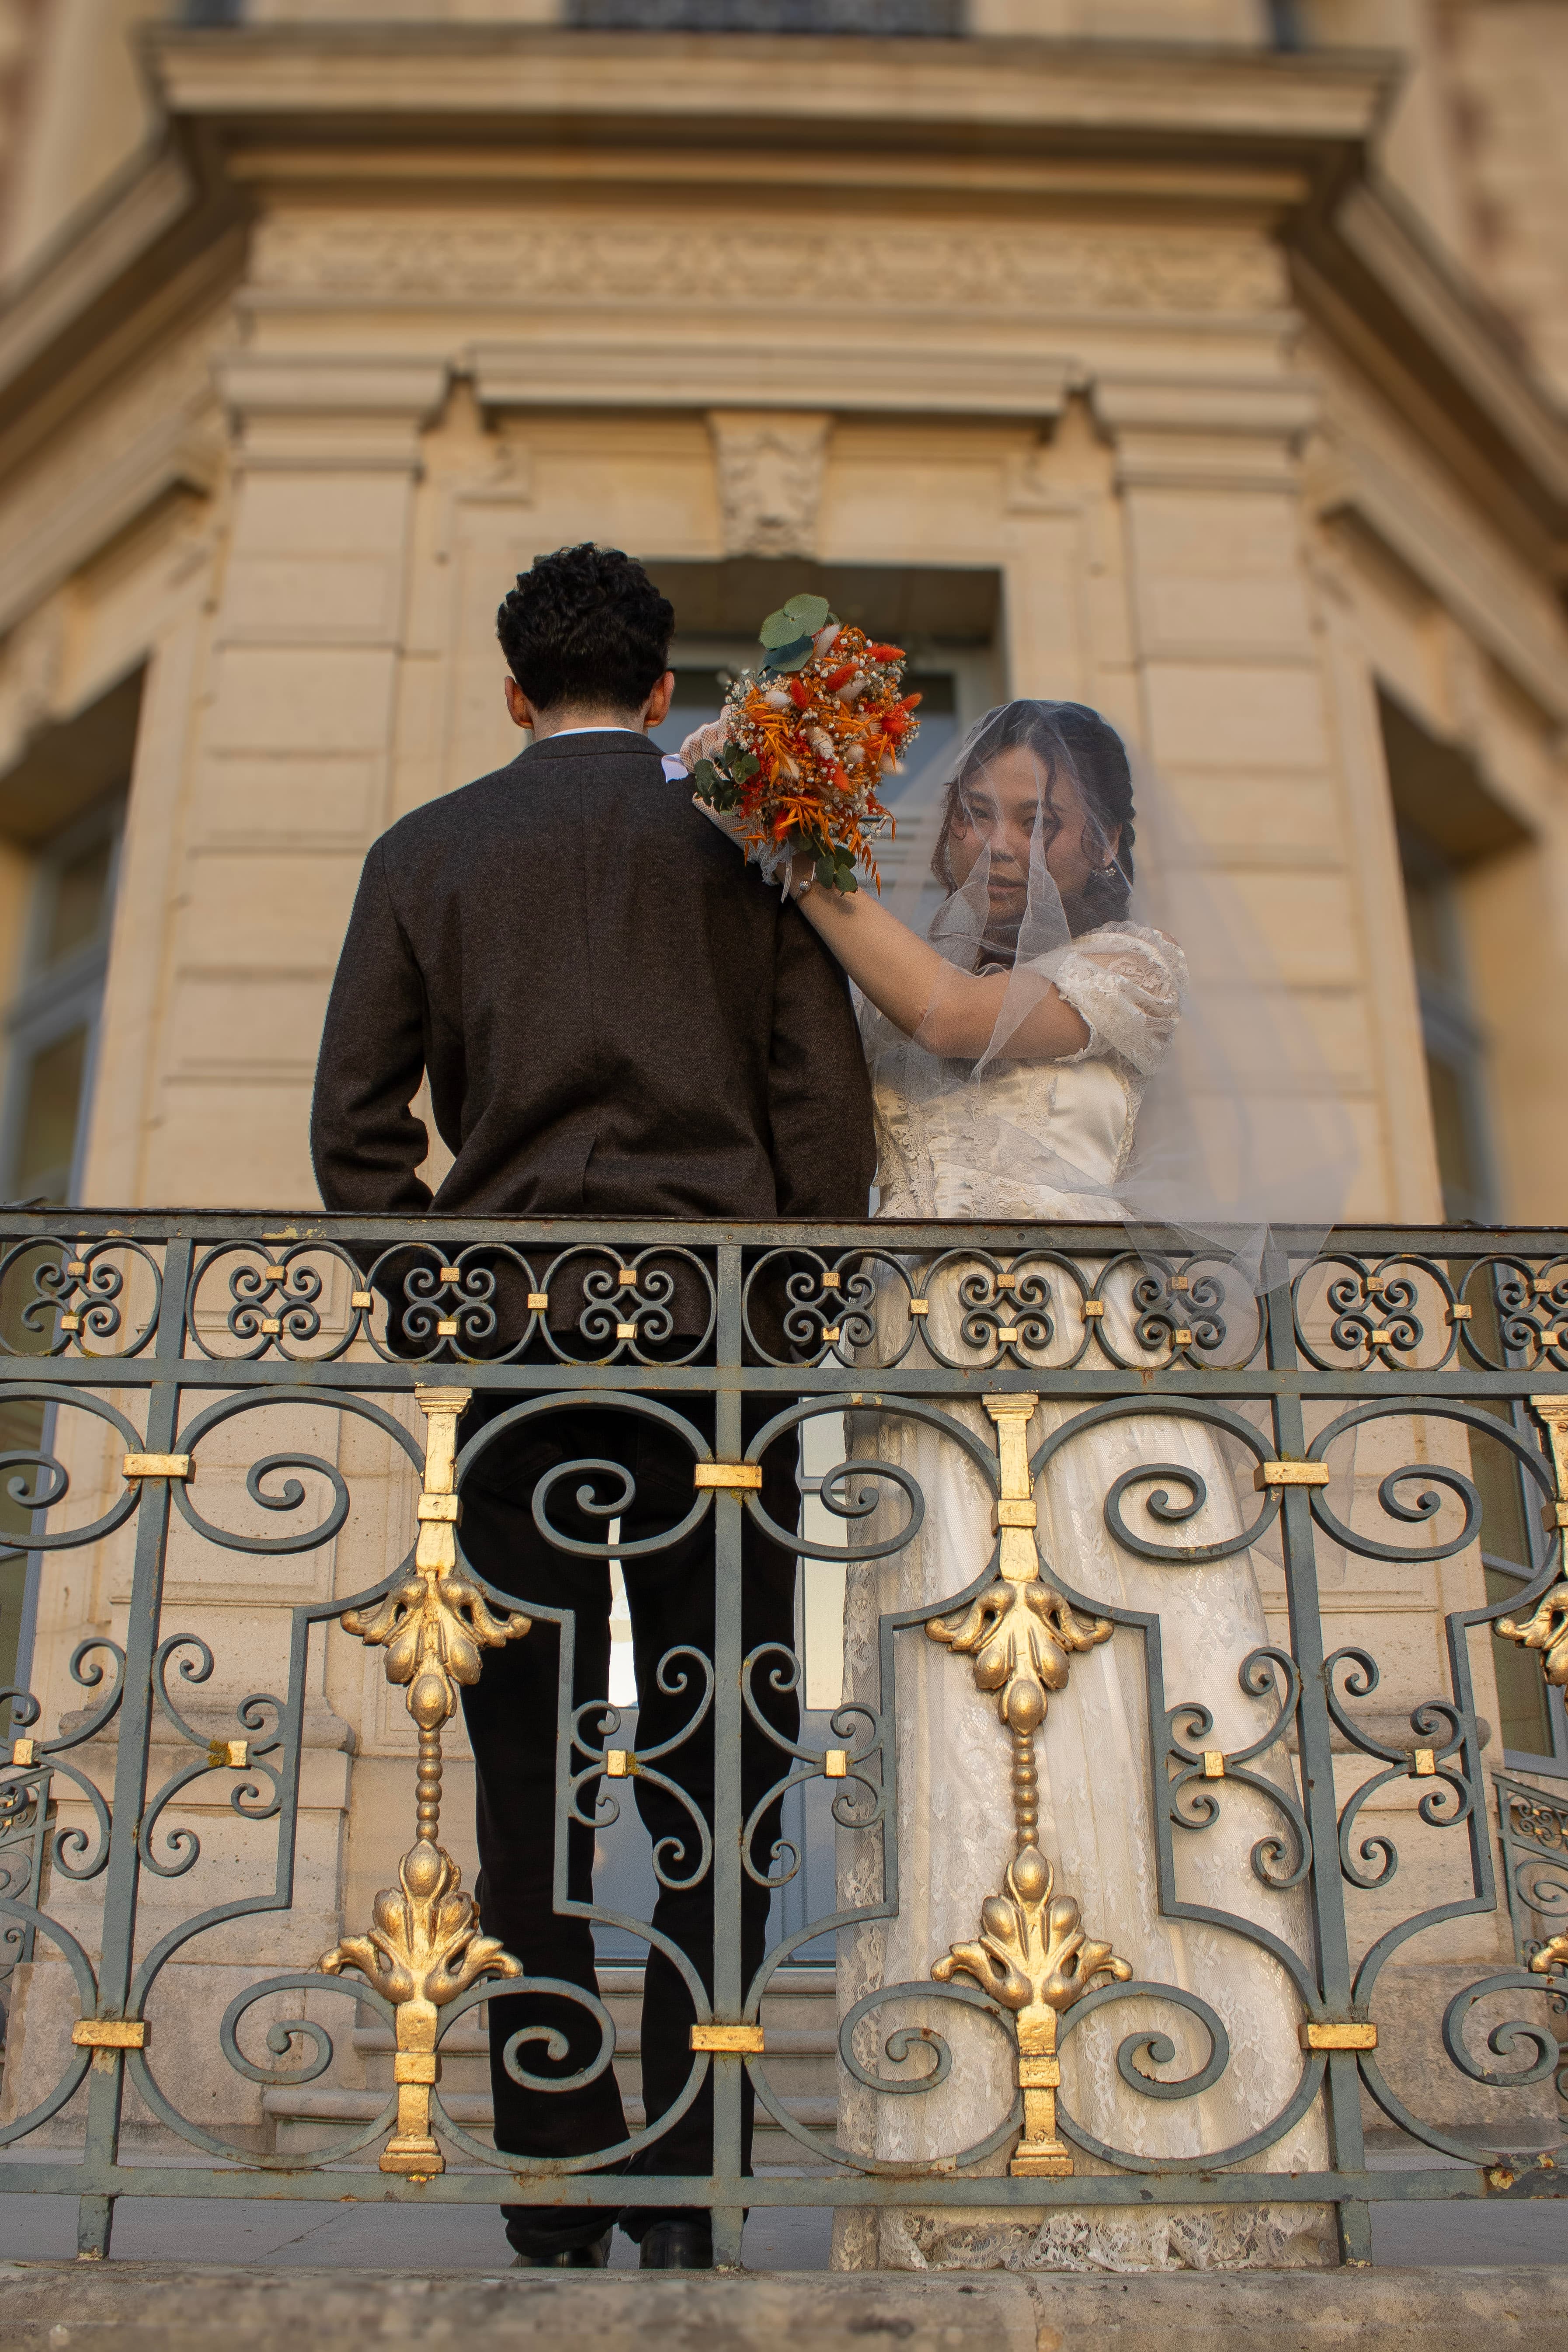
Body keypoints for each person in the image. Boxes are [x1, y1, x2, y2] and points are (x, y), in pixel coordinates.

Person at [685, 696, 1350, 2272]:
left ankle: (1190, 2149)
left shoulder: (1129, 971)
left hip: (1091, 1394)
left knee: (1136, 1743)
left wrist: (792, 829)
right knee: (951, 1761)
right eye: (977, 811)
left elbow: (945, 1023)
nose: (1000, 845)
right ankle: (953, 2161)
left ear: (1104, 843)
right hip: (920, 1399)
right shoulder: (871, 968)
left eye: (1038, 820)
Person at [310, 544, 876, 2272]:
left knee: (528, 1763)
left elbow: (355, 1131)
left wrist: (446, 1298)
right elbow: (824, 1118)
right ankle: (689, 2176)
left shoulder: (423, 852)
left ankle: (553, 2174)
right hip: (720, 1354)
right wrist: (791, 1320)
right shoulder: (754, 840)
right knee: (729, 1746)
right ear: (657, 689)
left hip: (521, 1361)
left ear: (513, 693)